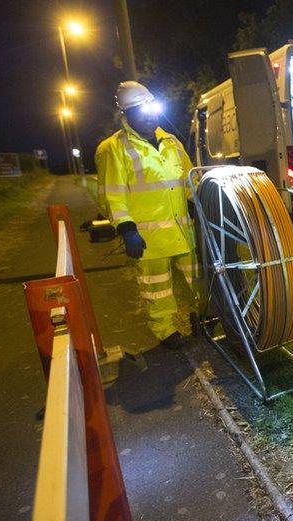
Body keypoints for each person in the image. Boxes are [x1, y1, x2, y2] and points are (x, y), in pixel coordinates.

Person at [95, 81, 197, 350]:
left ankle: (203, 316)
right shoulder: (112, 148)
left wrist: (198, 204)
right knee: (157, 288)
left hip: (183, 232)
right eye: (142, 111)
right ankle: (166, 331)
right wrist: (127, 229)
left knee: (199, 279)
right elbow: (111, 194)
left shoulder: (171, 142)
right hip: (148, 239)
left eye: (152, 108)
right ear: (126, 114)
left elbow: (188, 180)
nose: (150, 115)